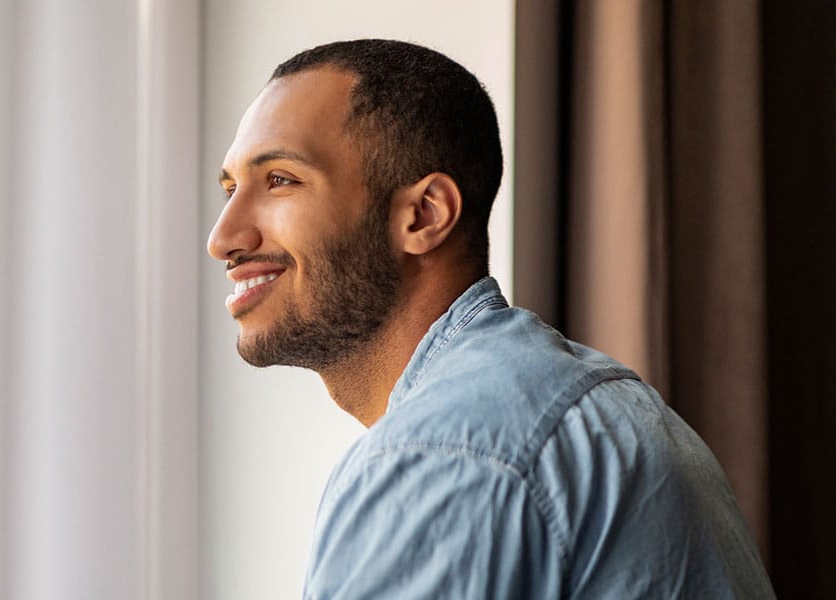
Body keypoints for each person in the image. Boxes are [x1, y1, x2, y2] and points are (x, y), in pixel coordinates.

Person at [208, 39, 774, 598]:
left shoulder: (442, 454)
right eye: (231, 189)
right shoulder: (593, 405)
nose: (222, 238)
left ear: (424, 215)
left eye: (279, 180)